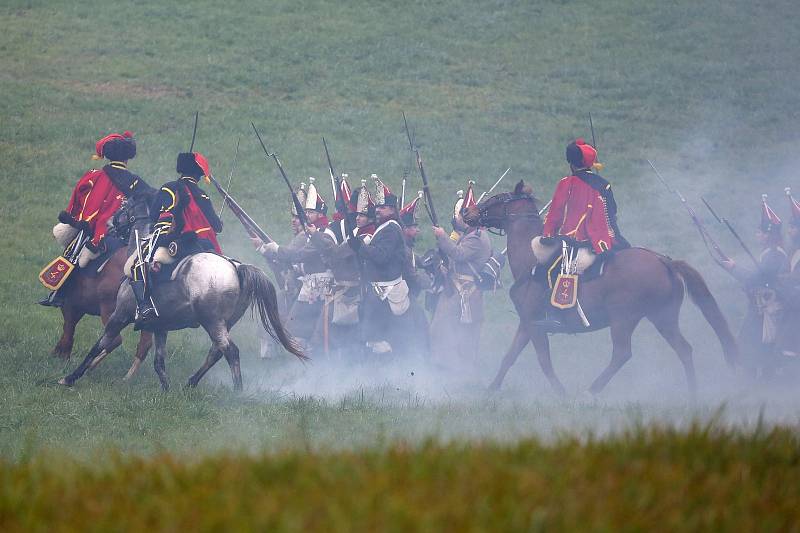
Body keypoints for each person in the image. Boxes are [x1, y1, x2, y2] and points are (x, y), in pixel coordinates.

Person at [41, 131, 149, 307]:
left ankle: (58, 294)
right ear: (127, 158)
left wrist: (73, 217)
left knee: (72, 256)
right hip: (125, 231)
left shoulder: (94, 176)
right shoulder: (134, 180)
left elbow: (80, 198)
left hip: (94, 230)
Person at [129, 151, 223, 328]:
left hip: (178, 241)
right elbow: (217, 227)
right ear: (199, 174)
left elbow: (157, 215)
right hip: (204, 245)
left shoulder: (169, 188)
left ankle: (144, 307)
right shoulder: (203, 195)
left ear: (181, 169)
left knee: (139, 263)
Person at [258, 178, 332, 354]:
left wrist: (274, 248)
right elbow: (290, 263)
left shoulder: (321, 233)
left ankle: (304, 364)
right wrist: (265, 250)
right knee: (296, 326)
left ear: (320, 215)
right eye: (305, 212)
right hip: (307, 286)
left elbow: (297, 256)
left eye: (310, 212)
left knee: (298, 328)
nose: (305, 216)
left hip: (317, 288)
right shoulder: (310, 234)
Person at [533, 138, 628, 275]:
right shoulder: (603, 184)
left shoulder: (565, 183)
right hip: (605, 240)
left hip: (572, 241)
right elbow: (612, 211)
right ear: (591, 163)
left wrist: (548, 235)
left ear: (571, 163)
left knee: (548, 271)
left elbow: (555, 213)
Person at [721, 195, 788, 378]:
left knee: (754, 345)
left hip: (767, 309)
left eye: (760, 232)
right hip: (759, 307)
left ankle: (760, 383)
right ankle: (757, 382)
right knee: (752, 345)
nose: (757, 235)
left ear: (768, 235)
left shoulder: (774, 254)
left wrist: (733, 268)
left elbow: (758, 277)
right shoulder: (769, 253)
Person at [309, 178, 375, 360]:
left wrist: (315, 236)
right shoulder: (358, 233)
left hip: (352, 290)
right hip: (347, 288)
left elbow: (337, 254)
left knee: (333, 331)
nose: (357, 218)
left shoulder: (366, 236)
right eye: (356, 214)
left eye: (360, 215)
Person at [429, 181, 492, 369]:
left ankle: (455, 370)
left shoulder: (476, 238)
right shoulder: (473, 235)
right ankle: (446, 366)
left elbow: (459, 254)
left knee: (455, 333)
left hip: (463, 292)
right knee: (446, 331)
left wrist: (442, 236)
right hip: (458, 290)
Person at [350, 175, 413, 356]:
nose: (378, 210)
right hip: (379, 289)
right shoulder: (384, 228)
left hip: (385, 291)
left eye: (383, 207)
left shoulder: (391, 229)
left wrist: (361, 247)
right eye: (377, 206)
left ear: (392, 210)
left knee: (375, 335)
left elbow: (381, 256)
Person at [400, 191, 433, 359]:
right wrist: (431, 280)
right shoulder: (404, 249)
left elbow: (415, 259)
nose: (418, 230)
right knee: (421, 326)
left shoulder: (406, 247)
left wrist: (429, 263)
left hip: (406, 295)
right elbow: (413, 276)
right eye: (414, 227)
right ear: (405, 229)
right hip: (404, 296)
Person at [776, 188, 800, 358]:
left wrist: (784, 279)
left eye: (793, 227)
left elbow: (794, 277)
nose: (790, 231)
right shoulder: (793, 250)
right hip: (793, 301)